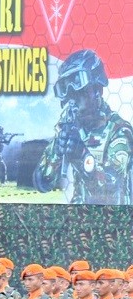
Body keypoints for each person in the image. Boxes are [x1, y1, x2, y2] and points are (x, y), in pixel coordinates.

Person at [34, 49, 133, 204]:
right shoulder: (69, 125)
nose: (74, 99)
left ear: (98, 90)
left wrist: (82, 155)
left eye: (81, 91)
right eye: (68, 91)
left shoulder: (118, 130)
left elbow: (113, 183)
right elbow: (42, 182)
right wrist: (56, 154)